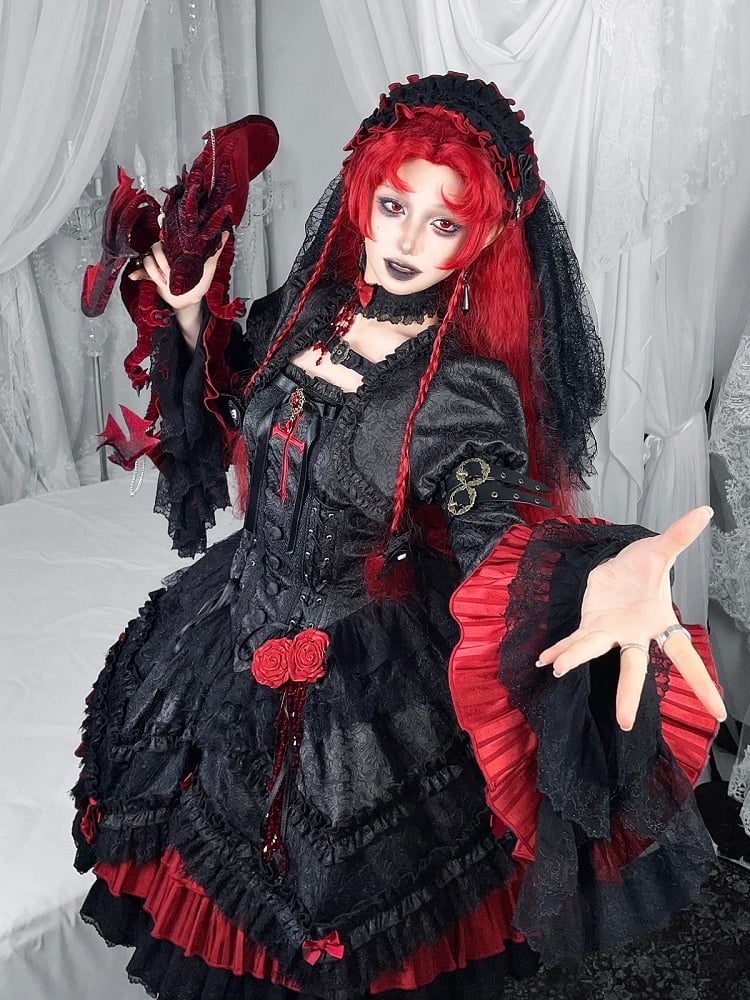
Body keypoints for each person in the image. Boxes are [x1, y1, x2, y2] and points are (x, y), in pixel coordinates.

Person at [72, 73, 726, 1000]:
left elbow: (497, 529)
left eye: (444, 222)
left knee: (342, 920)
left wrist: (606, 569)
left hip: (361, 671)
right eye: (394, 206)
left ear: (484, 238)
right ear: (361, 200)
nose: (409, 240)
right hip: (230, 627)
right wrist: (186, 313)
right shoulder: (301, 312)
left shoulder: (463, 391)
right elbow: (233, 411)